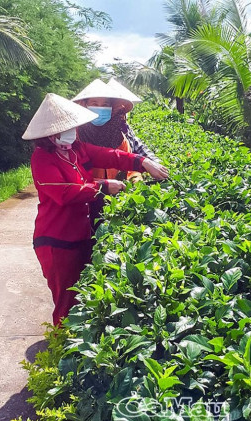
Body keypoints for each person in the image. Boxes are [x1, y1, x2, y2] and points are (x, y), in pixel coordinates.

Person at [22, 93, 168, 326]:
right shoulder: (43, 158)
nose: (72, 130)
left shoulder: (76, 148)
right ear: (49, 134)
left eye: (72, 126)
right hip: (56, 241)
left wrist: (142, 162)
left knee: (83, 297)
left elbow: (110, 155)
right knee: (66, 303)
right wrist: (102, 187)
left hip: (81, 235)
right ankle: (62, 351)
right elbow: (64, 192)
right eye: (65, 128)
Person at [72, 79, 160, 228]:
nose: (100, 108)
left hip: (115, 203)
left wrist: (136, 183)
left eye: (105, 105)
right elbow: (75, 178)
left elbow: (130, 169)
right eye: (94, 104)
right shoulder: (75, 137)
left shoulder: (119, 137)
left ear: (112, 108)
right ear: (84, 105)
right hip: (84, 206)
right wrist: (103, 185)